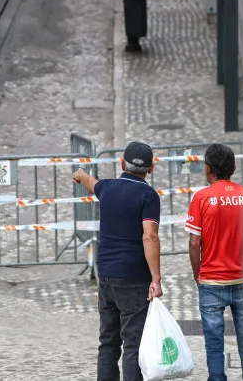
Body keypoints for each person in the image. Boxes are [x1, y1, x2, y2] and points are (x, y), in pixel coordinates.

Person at [73, 141, 162, 381]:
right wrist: (156, 278)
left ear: (122, 163)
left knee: (108, 342)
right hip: (134, 278)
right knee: (133, 343)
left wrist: (81, 174)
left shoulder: (108, 188)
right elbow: (150, 236)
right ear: (150, 169)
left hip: (107, 276)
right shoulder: (149, 195)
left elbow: (91, 184)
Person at [186, 143, 243, 381]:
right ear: (234, 168)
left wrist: (198, 274)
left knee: (214, 342)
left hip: (211, 281)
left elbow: (194, 243)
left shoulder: (201, 198)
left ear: (207, 169)